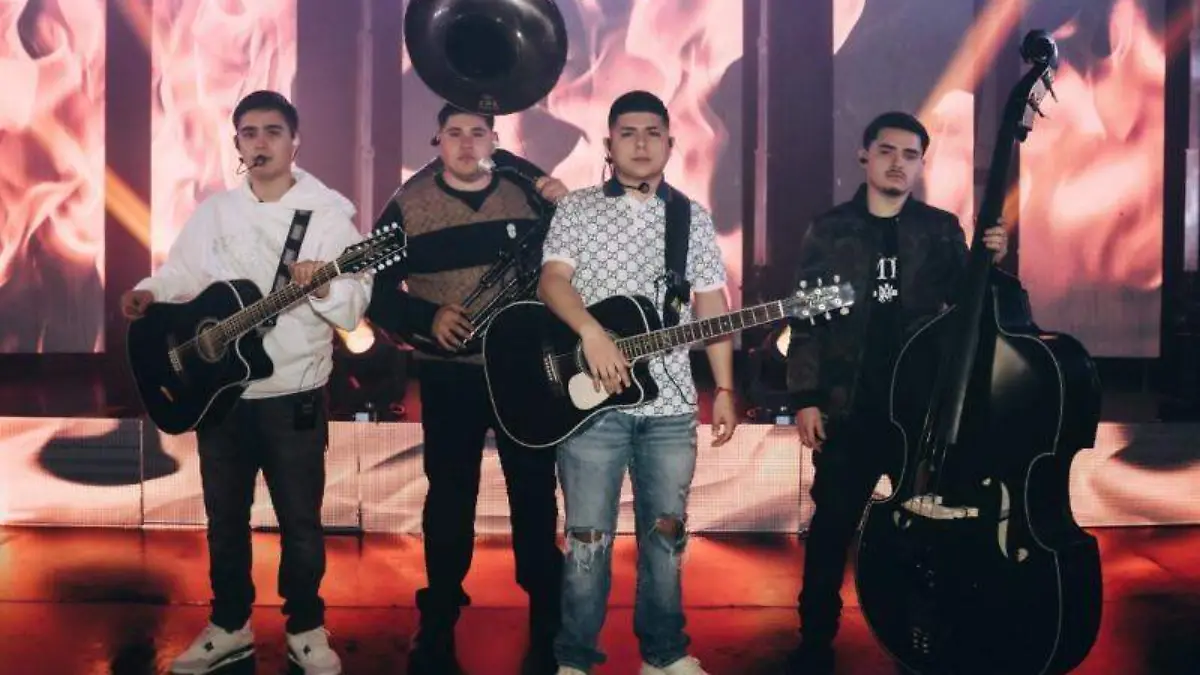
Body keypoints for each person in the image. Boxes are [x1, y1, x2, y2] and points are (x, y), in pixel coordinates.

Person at [121, 90, 370, 675]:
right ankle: (229, 624)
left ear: (294, 142)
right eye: (249, 133)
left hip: (293, 396)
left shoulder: (327, 216)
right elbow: (183, 272)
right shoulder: (216, 212)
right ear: (237, 144)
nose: (260, 143)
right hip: (221, 396)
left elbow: (354, 304)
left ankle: (305, 627)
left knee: (300, 523)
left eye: (273, 132)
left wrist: (323, 286)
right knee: (224, 520)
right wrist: (150, 291)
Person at [783, 111, 1008, 675]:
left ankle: (926, 637)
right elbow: (805, 323)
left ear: (921, 165)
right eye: (887, 150)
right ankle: (815, 642)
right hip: (850, 409)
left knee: (929, 533)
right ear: (864, 155)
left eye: (910, 155)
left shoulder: (939, 229)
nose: (897, 163)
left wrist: (990, 260)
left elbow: (972, 307)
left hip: (922, 414)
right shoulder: (829, 229)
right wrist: (805, 397)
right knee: (831, 529)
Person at [537, 90, 738, 675]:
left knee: (666, 537)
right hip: (590, 406)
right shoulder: (577, 209)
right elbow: (552, 281)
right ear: (608, 144)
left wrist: (724, 388)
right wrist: (591, 333)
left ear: (671, 144)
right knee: (586, 539)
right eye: (628, 132)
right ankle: (575, 658)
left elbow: (711, 303)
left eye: (653, 132)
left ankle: (664, 653)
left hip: (671, 406)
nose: (642, 143)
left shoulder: (692, 217)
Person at [365, 102, 569, 675]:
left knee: (535, 493)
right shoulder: (406, 204)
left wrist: (561, 199)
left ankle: (547, 612)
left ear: (494, 140)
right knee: (450, 496)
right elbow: (374, 291)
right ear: (437, 140)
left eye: (477, 133)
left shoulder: (528, 195)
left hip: (525, 372)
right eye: (453, 133)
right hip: (448, 374)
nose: (465, 143)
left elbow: (572, 262)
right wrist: (425, 316)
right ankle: (439, 613)